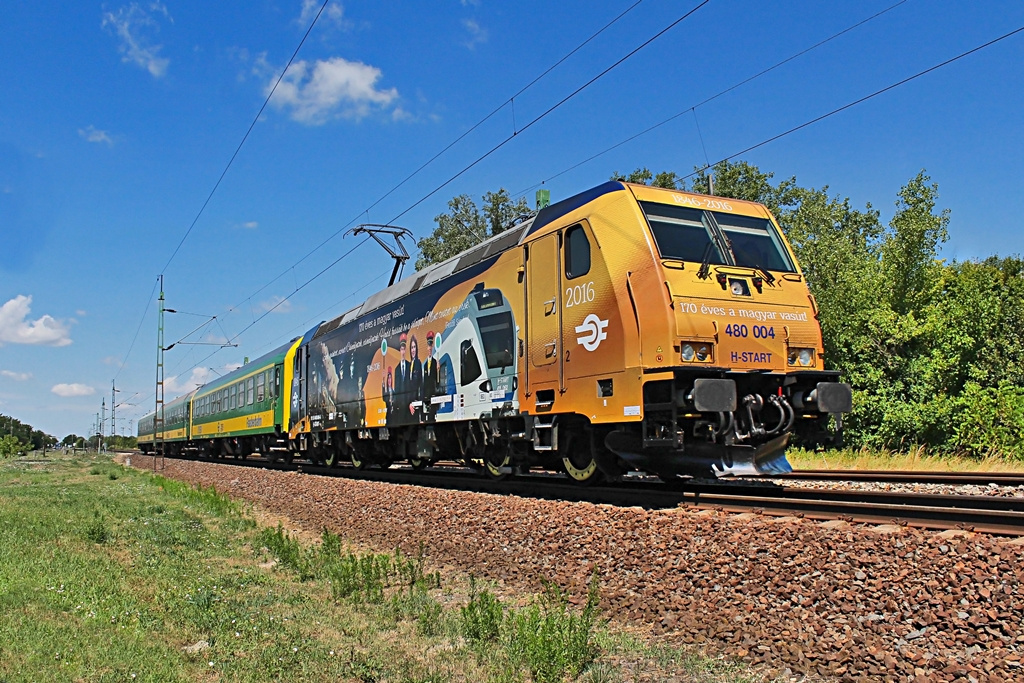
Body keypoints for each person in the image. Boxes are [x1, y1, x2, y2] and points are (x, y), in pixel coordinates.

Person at [421, 330, 439, 422]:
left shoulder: (436, 362)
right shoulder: (424, 365)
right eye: (428, 346)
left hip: (433, 394)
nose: (429, 349)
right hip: (426, 396)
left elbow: (437, 380)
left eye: (431, 346)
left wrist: (438, 370)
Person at [394, 333, 410, 422]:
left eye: (404, 350)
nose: (403, 352)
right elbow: (396, 388)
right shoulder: (396, 369)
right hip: (400, 404)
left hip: (408, 402)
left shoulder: (409, 365)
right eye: (402, 349)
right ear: (400, 351)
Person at [409, 334, 423, 419]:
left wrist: (417, 402)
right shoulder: (409, 365)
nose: (413, 350)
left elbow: (420, 384)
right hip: (409, 405)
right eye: (411, 347)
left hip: (415, 404)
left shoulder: (418, 363)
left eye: (414, 347)